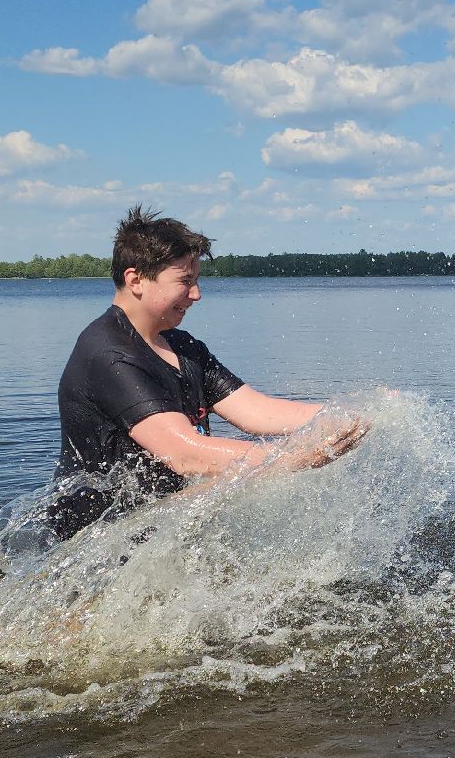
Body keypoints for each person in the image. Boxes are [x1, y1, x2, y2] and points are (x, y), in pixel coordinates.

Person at [46, 206, 365, 539]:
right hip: (93, 543)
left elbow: (257, 412)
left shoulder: (183, 347)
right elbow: (185, 455)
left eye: (196, 282)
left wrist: (347, 413)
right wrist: (296, 458)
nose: (197, 295)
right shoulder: (107, 355)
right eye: (185, 282)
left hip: (156, 525)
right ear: (135, 280)